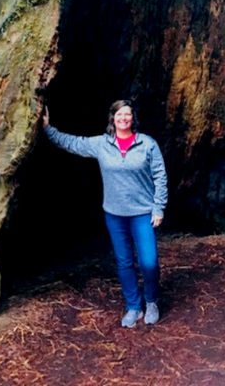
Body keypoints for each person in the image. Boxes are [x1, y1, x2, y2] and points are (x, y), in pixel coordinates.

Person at [43, 99, 168, 328]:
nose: (123, 118)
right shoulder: (102, 144)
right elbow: (73, 143)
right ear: (113, 118)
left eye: (127, 115)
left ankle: (151, 301)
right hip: (115, 214)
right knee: (124, 262)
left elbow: (160, 176)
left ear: (133, 118)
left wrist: (158, 208)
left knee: (149, 262)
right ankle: (133, 306)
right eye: (119, 115)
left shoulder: (147, 144)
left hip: (142, 213)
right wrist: (47, 129)